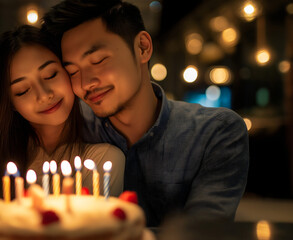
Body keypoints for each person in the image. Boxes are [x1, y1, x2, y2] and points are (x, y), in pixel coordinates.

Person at [42, 0, 249, 227]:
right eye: (72, 71)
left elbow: (201, 232)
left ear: (142, 47)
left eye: (99, 60)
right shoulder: (71, 127)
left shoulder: (214, 132)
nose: (85, 84)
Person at [0, 25, 125, 227]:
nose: (44, 95)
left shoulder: (101, 162)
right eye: (22, 90)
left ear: (68, 72)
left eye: (51, 75)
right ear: (10, 103)